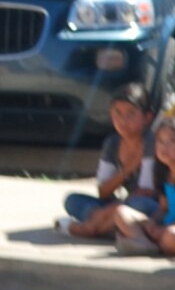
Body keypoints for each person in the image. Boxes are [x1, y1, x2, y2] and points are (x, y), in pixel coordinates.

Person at [57, 84, 158, 239]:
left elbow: (147, 191)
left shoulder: (152, 142)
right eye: (117, 113)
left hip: (150, 204)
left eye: (131, 114)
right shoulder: (112, 143)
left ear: (147, 117)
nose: (123, 120)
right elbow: (103, 192)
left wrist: (115, 207)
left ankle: (91, 228)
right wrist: (127, 169)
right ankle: (114, 225)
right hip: (123, 204)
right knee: (72, 201)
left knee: (139, 204)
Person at [115, 115, 175, 256]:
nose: (164, 147)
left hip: (174, 229)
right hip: (164, 226)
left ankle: (146, 242)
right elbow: (163, 209)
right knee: (121, 212)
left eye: (171, 141)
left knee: (172, 236)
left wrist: (165, 229)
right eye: (160, 141)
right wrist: (153, 223)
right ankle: (144, 243)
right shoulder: (163, 173)